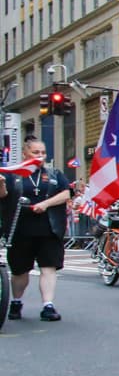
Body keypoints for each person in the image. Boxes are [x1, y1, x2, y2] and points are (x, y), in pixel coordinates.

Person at [2, 137, 72, 321]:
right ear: (25, 153)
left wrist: (45, 204)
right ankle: (16, 301)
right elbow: (3, 195)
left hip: (49, 228)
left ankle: (48, 305)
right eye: (35, 152)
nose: (40, 156)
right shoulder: (13, 175)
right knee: (20, 271)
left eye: (43, 152)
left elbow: (66, 193)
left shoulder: (54, 174)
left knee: (48, 267)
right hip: (20, 229)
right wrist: (1, 182)